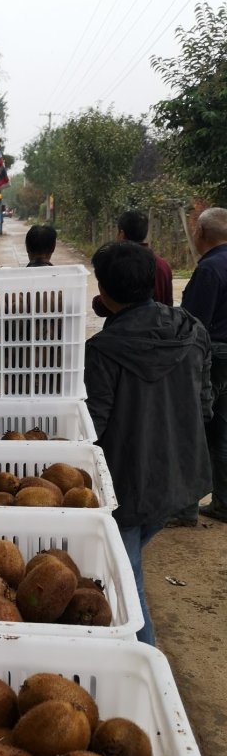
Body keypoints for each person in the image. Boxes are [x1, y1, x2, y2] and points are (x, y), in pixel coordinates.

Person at [84, 241, 212, 646]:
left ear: (103, 291)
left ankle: (145, 657)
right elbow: (205, 402)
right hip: (182, 472)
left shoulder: (103, 351)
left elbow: (94, 428)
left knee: (127, 580)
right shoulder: (191, 330)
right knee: (130, 559)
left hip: (130, 483)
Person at [169, 207, 227, 524]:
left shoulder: (209, 270)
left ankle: (184, 508)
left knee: (193, 429)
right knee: (222, 433)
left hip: (212, 358)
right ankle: (223, 502)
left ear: (201, 233)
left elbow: (193, 324)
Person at [92, 211, 173, 316]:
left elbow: (106, 307)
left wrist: (97, 301)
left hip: (127, 327)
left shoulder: (120, 265)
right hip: (161, 327)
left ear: (121, 234)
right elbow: (168, 303)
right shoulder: (163, 265)